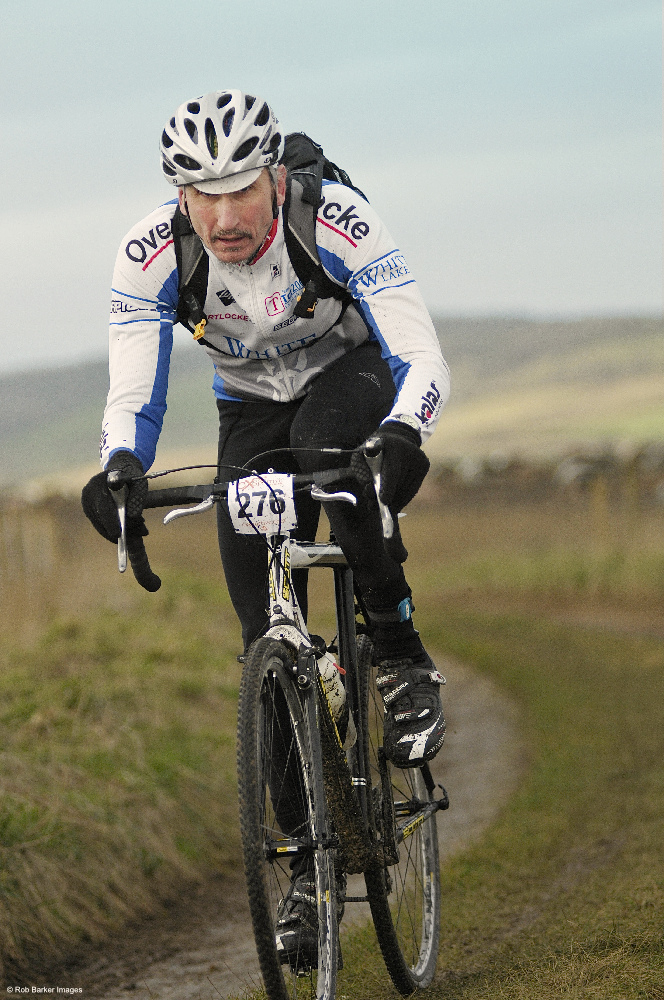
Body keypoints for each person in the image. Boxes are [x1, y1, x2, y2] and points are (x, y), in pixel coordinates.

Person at [82, 89, 450, 967]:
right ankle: (307, 875)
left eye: (240, 190)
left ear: (276, 180)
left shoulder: (337, 221)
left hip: (350, 373)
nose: (222, 217)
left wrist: (405, 434)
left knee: (330, 454)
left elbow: (420, 354)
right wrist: (118, 469)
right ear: (179, 196)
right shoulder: (151, 254)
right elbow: (134, 392)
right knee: (263, 640)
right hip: (247, 409)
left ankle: (401, 656)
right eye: (200, 195)